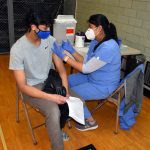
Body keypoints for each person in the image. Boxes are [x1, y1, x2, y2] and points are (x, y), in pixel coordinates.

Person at [9, 8, 69, 150]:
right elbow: (23, 87)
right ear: (33, 27)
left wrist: (65, 89)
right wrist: (51, 97)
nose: (48, 30)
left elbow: (61, 70)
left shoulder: (49, 40)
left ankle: (58, 129)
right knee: (54, 111)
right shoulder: (17, 49)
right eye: (45, 27)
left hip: (49, 81)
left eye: (49, 26)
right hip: (31, 87)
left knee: (74, 101)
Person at [52, 14, 121, 131]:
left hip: (103, 85)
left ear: (99, 29)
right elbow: (86, 62)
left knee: (72, 93)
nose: (88, 30)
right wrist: (71, 50)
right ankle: (71, 109)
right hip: (92, 77)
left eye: (90, 26)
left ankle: (90, 122)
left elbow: (86, 69)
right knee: (65, 82)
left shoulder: (109, 47)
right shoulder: (96, 41)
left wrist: (64, 58)